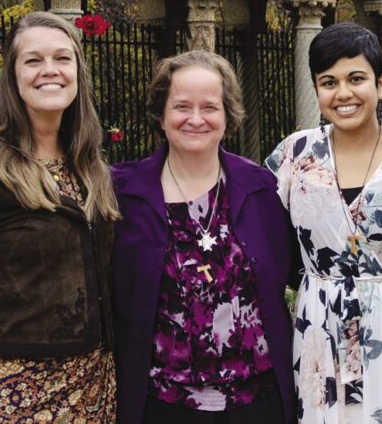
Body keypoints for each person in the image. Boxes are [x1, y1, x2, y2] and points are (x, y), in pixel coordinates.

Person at [265, 22, 382, 423]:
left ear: (380, 84)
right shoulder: (294, 156)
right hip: (322, 329)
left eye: (356, 78)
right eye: (328, 81)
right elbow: (266, 237)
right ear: (315, 89)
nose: (343, 93)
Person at [111, 50, 296, 423]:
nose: (196, 119)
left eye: (210, 107)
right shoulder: (123, 194)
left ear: (228, 116)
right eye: (181, 106)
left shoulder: (260, 188)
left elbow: (290, 273)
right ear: (161, 115)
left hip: (258, 402)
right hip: (163, 403)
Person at [0, 11, 120, 420]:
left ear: (78, 72)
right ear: (13, 76)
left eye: (63, 59)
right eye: (33, 60)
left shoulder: (89, 167)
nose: (50, 70)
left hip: (91, 389)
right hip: (2, 395)